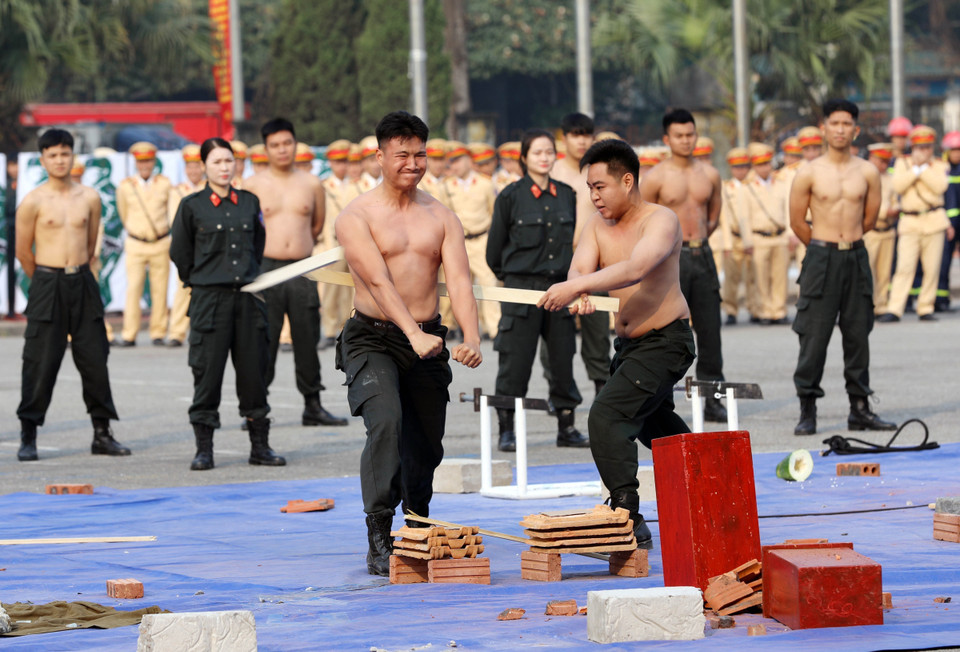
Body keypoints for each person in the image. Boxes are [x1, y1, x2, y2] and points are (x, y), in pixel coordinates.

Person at [335, 111, 482, 576]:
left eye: (420, 154)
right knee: (386, 423)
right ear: (380, 156)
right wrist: (412, 333)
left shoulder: (442, 216)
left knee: (426, 444)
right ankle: (379, 532)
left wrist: (470, 337)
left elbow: (459, 280)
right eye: (403, 155)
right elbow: (376, 281)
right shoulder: (355, 216)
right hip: (373, 338)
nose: (413, 164)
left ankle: (417, 520)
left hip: (428, 340)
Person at [538, 138, 694, 548]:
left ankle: (626, 513)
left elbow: (636, 268)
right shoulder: (595, 225)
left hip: (667, 340)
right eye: (589, 188)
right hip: (629, 347)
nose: (594, 196)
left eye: (600, 186)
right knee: (659, 431)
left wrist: (577, 286)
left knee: (606, 418)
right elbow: (580, 266)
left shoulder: (660, 220)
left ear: (627, 181)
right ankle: (706, 485)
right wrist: (578, 290)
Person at [170, 137, 284, 470]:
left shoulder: (249, 202)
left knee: (254, 374)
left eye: (228, 161)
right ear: (203, 166)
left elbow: (258, 244)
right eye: (217, 162)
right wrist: (204, 280)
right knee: (207, 374)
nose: (224, 167)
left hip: (248, 300)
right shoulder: (192, 206)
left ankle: (259, 447)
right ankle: (204, 449)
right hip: (210, 300)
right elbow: (180, 253)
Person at [15, 128, 129, 461]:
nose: (60, 160)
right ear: (43, 160)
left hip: (82, 282)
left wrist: (75, 274)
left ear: (73, 157)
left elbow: (92, 243)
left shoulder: (90, 197)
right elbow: (23, 252)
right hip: (47, 283)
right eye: (53, 155)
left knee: (95, 359)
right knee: (40, 362)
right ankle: (29, 433)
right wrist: (46, 280)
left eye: (65, 153)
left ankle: (102, 433)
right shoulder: (33, 201)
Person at [789, 99, 897, 436]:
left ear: (856, 130)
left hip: (856, 256)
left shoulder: (867, 172)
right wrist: (823, 245)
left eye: (846, 124)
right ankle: (808, 409)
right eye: (834, 123)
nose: (840, 129)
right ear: (823, 128)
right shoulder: (808, 172)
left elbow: (870, 218)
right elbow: (796, 221)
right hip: (821, 257)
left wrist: (847, 243)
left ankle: (860, 409)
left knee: (858, 334)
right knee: (813, 337)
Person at [486, 129, 589, 452]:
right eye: (537, 153)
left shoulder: (567, 194)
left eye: (549, 152)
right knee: (514, 363)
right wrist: (516, 280)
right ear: (524, 158)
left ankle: (567, 426)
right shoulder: (510, 196)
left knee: (562, 359)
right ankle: (507, 430)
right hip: (522, 290)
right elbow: (494, 252)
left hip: (559, 289)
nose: (544, 158)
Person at [244, 118, 348, 428]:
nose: (282, 150)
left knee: (307, 337)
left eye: (287, 143)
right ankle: (256, 408)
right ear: (266, 149)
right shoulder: (252, 185)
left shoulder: (311, 183)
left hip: (303, 268)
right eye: (275, 145)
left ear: (295, 145)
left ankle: (312, 405)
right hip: (267, 270)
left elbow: (316, 225)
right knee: (265, 339)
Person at [640, 109, 726, 422]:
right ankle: (660, 398)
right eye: (679, 136)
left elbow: (714, 216)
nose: (686, 140)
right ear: (667, 139)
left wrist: (697, 240)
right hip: (670, 260)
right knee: (667, 330)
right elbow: (643, 221)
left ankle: (713, 398)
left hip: (702, 254)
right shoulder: (654, 178)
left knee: (710, 330)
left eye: (690, 134)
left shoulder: (710, 174)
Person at [549, 112, 611, 395]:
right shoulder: (550, 171)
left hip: (592, 262)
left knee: (597, 330)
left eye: (586, 134)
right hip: (557, 260)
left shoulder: (601, 172)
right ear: (564, 138)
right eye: (575, 134)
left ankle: (602, 389)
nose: (581, 140)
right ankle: (558, 393)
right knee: (555, 333)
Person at [878, 125, 950, 323]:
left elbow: (939, 187)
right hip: (909, 221)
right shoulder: (903, 163)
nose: (923, 151)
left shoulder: (939, 165)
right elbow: (898, 185)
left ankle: (925, 307)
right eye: (919, 147)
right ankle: (895, 308)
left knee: (932, 268)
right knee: (904, 267)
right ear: (913, 147)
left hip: (934, 220)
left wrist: (923, 169)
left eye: (927, 147)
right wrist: (916, 169)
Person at [115, 141, 172, 347]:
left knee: (160, 289)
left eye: (148, 161)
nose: (144, 165)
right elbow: (123, 212)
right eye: (141, 161)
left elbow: (170, 211)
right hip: (136, 242)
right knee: (134, 289)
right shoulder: (126, 186)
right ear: (135, 163)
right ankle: (129, 333)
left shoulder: (165, 183)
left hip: (160, 241)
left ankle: (158, 332)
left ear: (154, 161)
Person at [443, 140, 500, 339]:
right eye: (451, 162)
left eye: (458, 160)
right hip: (458, 242)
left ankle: (494, 328)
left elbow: (494, 213)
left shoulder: (485, 184)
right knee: (461, 285)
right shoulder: (447, 185)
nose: (454, 166)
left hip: (481, 239)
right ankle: (467, 328)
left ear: (469, 160)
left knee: (488, 282)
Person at [739, 143, 790, 325]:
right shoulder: (747, 187)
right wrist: (747, 242)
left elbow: (787, 211)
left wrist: (790, 234)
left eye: (767, 163)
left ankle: (779, 310)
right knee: (760, 277)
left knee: (780, 276)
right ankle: (765, 311)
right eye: (760, 164)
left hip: (779, 236)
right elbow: (744, 217)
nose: (764, 168)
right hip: (759, 237)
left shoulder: (781, 184)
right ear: (754, 166)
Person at [318, 139, 361, 347]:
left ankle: (346, 326)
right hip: (333, 244)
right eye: (337, 162)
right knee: (331, 289)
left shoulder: (356, 186)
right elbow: (325, 220)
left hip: (353, 243)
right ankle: (328, 328)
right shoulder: (325, 186)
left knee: (351, 289)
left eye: (344, 161)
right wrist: (326, 249)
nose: (341, 166)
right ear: (331, 164)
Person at [166, 144, 206, 347]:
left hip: (207, 247)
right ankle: (177, 332)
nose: (194, 171)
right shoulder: (178, 191)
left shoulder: (210, 188)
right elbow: (176, 221)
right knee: (181, 289)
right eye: (190, 167)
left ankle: (202, 330)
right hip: (189, 247)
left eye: (197, 166)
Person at [719, 147, 758, 325]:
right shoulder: (726, 188)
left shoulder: (753, 187)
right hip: (734, 238)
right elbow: (725, 217)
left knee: (753, 275)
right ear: (731, 168)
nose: (741, 170)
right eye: (737, 167)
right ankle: (731, 310)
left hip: (753, 237)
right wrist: (727, 244)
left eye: (744, 166)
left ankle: (754, 308)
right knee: (732, 277)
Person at [862, 143, 899, 314]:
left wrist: (895, 209)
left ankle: (881, 305)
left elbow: (895, 200)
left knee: (884, 272)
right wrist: (885, 212)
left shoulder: (890, 179)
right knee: (867, 271)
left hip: (888, 230)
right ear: (871, 158)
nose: (883, 165)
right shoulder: (863, 177)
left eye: (886, 161)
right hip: (871, 230)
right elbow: (862, 205)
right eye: (880, 160)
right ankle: (865, 305)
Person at [938, 132, 960, 310]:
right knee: (943, 261)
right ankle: (941, 299)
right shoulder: (941, 169)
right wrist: (948, 223)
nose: (956, 153)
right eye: (953, 150)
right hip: (948, 223)